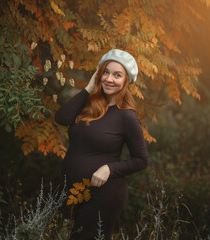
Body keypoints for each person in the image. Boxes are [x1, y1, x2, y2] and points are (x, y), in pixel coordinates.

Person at [54, 49, 149, 240]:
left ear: (125, 81)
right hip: (77, 192)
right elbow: (62, 118)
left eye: (117, 75)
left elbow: (141, 160)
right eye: (106, 72)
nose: (109, 79)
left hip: (104, 194)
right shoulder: (90, 104)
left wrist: (109, 168)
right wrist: (89, 88)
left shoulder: (127, 116)